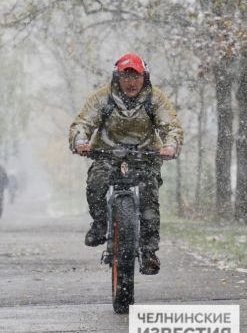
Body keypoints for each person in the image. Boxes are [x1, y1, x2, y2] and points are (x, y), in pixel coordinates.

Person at [69, 53, 183, 275]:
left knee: (149, 196)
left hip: (145, 156)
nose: (131, 83)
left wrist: (170, 145)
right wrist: (80, 140)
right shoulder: (102, 98)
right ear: (117, 77)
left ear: (145, 78)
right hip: (107, 153)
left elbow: (171, 126)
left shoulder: (155, 99)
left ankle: (149, 250)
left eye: (136, 77)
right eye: (126, 76)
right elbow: (82, 122)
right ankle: (100, 224)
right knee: (96, 183)